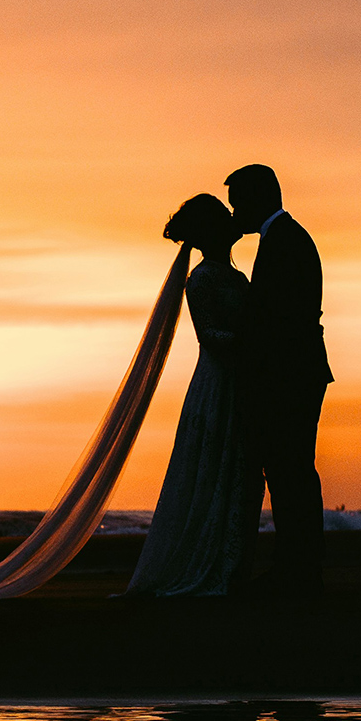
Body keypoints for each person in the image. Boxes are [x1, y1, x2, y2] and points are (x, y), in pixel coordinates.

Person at [125, 194, 252, 596]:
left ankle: (230, 564)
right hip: (219, 387)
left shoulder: (237, 277)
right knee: (213, 472)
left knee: (237, 476)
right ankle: (207, 565)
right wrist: (256, 339)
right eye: (223, 216)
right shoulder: (201, 280)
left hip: (242, 384)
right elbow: (210, 336)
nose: (233, 219)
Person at [225, 164, 333, 598]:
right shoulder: (286, 239)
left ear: (258, 199)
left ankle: (298, 570)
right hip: (297, 373)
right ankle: (298, 566)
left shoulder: (285, 243)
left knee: (291, 472)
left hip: (291, 376)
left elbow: (279, 320)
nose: (236, 216)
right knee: (291, 471)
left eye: (239, 206)